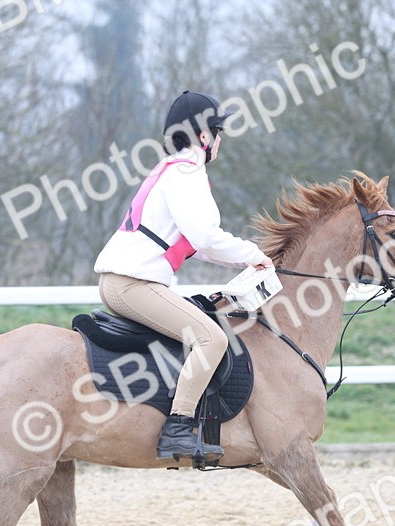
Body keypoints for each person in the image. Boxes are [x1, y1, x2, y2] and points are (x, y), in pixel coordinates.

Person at [94, 90, 273, 461]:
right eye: (218, 132)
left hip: (126, 280)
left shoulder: (170, 169)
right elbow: (205, 236)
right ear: (204, 136)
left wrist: (247, 262)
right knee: (211, 338)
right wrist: (255, 255)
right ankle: (177, 427)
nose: (220, 140)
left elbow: (202, 244)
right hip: (133, 284)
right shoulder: (187, 172)